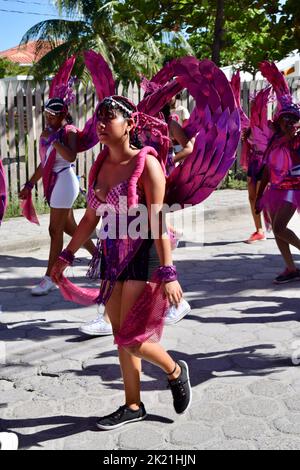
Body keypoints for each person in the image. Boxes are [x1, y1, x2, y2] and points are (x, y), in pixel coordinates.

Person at [51, 96, 192, 429]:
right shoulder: (100, 165)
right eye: (98, 118)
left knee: (132, 335)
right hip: (113, 252)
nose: (100, 124)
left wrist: (168, 272)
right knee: (119, 333)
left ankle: (174, 371)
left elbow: (157, 221)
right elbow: (89, 218)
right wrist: (66, 255)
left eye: (109, 118)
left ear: (130, 124)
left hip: (146, 252)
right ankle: (132, 405)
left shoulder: (148, 164)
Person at [19, 98, 95, 295]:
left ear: (62, 114)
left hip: (65, 181)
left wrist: (52, 139)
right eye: (46, 115)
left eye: (52, 116)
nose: (48, 119)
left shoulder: (68, 130)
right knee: (70, 227)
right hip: (55, 182)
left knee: (55, 230)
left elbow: (71, 156)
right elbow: (44, 163)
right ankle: (98, 256)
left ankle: (51, 277)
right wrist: (29, 184)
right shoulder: (50, 133)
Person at [256, 106, 300, 284]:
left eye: (292, 119)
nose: (288, 122)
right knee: (276, 230)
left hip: (294, 189)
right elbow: (266, 169)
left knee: (280, 226)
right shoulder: (273, 141)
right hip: (274, 190)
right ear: (278, 121)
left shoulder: (297, 140)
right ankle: (291, 268)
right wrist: (259, 195)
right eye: (284, 118)